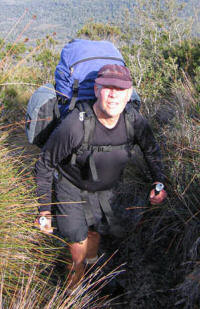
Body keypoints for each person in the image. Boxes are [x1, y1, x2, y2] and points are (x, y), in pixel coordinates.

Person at [35, 64, 167, 289]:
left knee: (96, 228)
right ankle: (75, 288)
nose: (114, 94)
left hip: (106, 188)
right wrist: (44, 209)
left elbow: (151, 151)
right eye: (108, 87)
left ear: (128, 94)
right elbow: (45, 164)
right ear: (97, 90)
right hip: (71, 184)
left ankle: (92, 268)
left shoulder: (133, 121)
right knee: (77, 237)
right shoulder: (75, 125)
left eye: (120, 89)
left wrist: (159, 181)